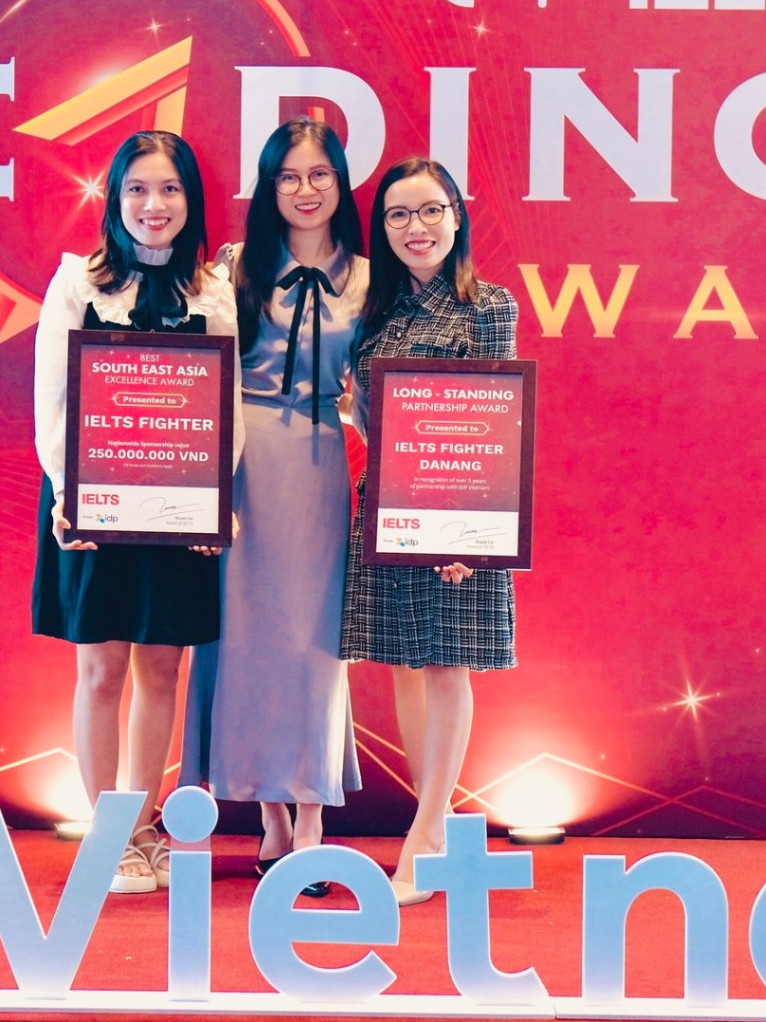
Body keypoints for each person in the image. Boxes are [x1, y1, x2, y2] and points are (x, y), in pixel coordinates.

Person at [30, 130, 241, 895]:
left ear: (191, 199)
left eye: (170, 189)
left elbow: (226, 406)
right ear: (115, 199)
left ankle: (144, 826)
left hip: (180, 506)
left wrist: (218, 499)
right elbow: (53, 400)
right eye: (138, 190)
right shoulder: (77, 282)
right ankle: (108, 834)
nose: (154, 205)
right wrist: (69, 496)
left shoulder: (212, 290)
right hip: (90, 504)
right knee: (100, 669)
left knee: (161, 666)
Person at [183, 119, 366, 893]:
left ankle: (312, 816)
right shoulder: (232, 267)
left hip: (320, 463)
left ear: (340, 183)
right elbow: (202, 375)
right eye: (287, 175)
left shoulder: (369, 277)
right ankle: (270, 819)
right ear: (268, 187)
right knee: (245, 635)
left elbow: (377, 392)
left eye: (319, 174)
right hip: (242, 463)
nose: (304, 189)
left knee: (312, 641)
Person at [342, 156, 519, 907]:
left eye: (429, 210)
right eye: (398, 215)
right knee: (404, 665)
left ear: (456, 216)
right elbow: (369, 419)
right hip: (390, 510)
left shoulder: (488, 305)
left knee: (448, 666)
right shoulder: (372, 312)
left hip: (459, 518)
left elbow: (493, 419)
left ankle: (427, 835)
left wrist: (468, 531)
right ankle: (432, 820)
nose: (415, 227)